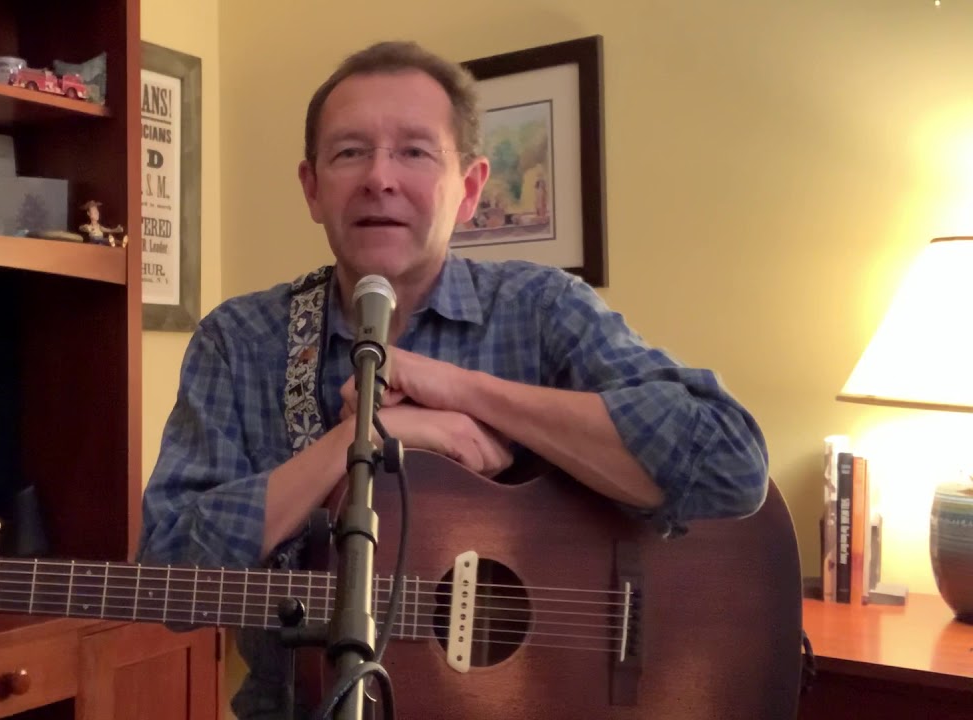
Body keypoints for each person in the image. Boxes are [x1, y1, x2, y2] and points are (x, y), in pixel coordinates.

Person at [136, 40, 769, 720]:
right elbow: (170, 574)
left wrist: (461, 391)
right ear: (312, 188)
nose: (380, 177)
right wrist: (353, 441)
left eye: (414, 151)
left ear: (468, 190)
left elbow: (729, 464)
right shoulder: (242, 340)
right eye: (350, 152)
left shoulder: (541, 309)